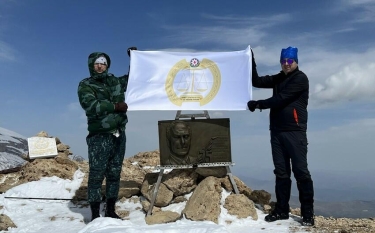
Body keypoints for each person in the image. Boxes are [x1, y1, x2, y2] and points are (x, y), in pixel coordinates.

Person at [247, 46, 315, 226]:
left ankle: (308, 213)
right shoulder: (278, 78)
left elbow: (281, 99)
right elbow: (256, 81)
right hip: (277, 132)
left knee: (301, 171)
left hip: (295, 132)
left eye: (290, 61)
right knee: (281, 172)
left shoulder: (300, 79)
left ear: (296, 62)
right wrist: (250, 60)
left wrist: (259, 104)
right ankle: (282, 210)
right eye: (283, 61)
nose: (286, 64)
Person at [77, 48, 136, 221]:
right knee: (96, 174)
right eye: (97, 63)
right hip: (99, 136)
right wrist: (115, 107)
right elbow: (91, 105)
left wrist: (135, 60)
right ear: (91, 65)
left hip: (119, 134)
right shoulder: (86, 84)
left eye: (103, 63)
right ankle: (95, 215)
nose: (100, 66)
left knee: (114, 173)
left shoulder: (114, 81)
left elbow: (134, 80)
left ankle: (110, 210)